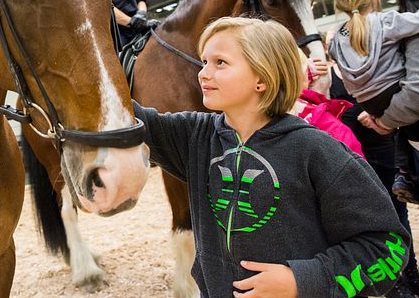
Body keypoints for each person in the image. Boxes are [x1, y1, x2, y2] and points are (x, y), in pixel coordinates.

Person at [133, 17, 409, 298]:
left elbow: (388, 248)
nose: (203, 74)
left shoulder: (316, 150)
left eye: (220, 63)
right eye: (204, 61)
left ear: (262, 79)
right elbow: (118, 116)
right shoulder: (195, 138)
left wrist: (301, 280)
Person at [328, 47, 419, 298]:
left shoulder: (384, 67)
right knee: (374, 224)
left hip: (383, 154)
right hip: (357, 160)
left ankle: (408, 276)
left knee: (398, 219)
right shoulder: (330, 74)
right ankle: (397, 282)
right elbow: (330, 113)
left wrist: (381, 118)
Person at [328, 0, 419, 205]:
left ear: (339, 4)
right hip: (393, 92)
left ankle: (404, 175)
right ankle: (406, 173)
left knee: (403, 130)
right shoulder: (386, 21)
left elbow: (348, 80)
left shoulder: (337, 38)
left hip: (369, 102)